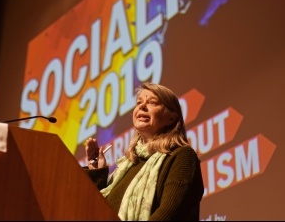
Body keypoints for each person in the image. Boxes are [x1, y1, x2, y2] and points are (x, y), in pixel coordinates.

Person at [84, 82, 204, 221]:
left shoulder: (181, 156)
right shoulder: (128, 165)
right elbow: (97, 211)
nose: (142, 106)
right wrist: (97, 174)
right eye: (139, 102)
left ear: (171, 118)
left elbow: (169, 215)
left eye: (152, 102)